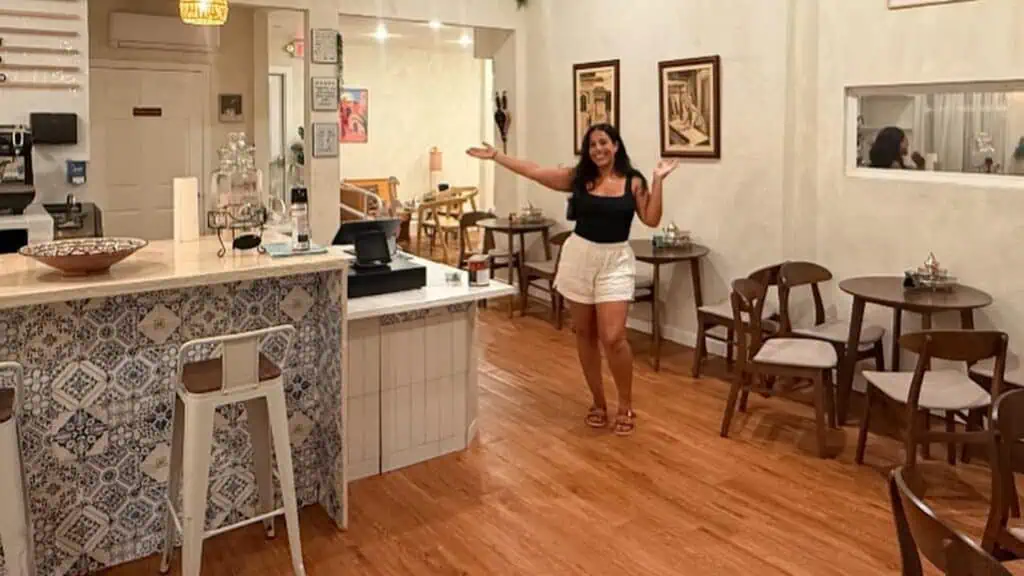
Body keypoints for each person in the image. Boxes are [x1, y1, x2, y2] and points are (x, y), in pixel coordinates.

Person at [467, 123, 679, 436]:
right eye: (592, 145)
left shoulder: (633, 182)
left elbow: (651, 218)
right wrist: (497, 156)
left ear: (616, 146)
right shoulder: (578, 179)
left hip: (616, 261)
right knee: (584, 333)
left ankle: (626, 404)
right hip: (579, 257)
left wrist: (659, 180)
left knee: (614, 337)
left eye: (604, 143)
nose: (598, 150)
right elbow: (535, 171)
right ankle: (598, 402)